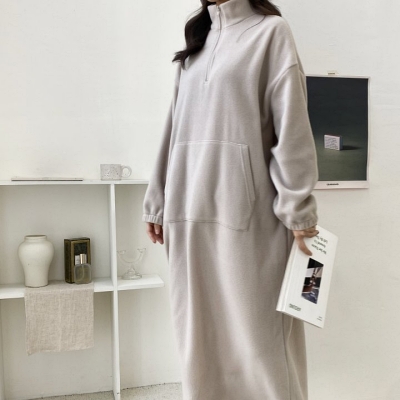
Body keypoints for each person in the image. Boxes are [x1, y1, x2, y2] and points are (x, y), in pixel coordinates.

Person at [142, 0, 319, 398]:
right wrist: (157, 199)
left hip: (248, 217)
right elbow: (174, 125)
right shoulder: (198, 40)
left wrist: (299, 211)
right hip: (188, 214)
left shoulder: (270, 32)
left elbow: (291, 127)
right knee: (199, 342)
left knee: (261, 342)